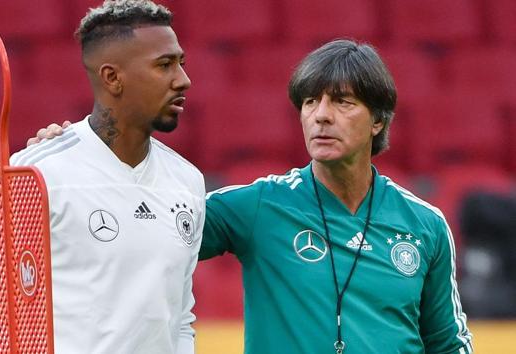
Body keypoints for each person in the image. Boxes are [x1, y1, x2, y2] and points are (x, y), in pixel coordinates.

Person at [31, 39, 474, 353]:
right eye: (309, 102)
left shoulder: (424, 225)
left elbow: (447, 344)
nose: (321, 116)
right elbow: (138, 228)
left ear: (378, 121)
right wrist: (77, 157)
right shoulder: (260, 207)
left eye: (342, 102)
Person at [11, 1, 205, 353]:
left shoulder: (188, 182)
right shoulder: (37, 173)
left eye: (181, 63)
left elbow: (180, 318)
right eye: (165, 65)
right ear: (112, 77)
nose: (183, 80)